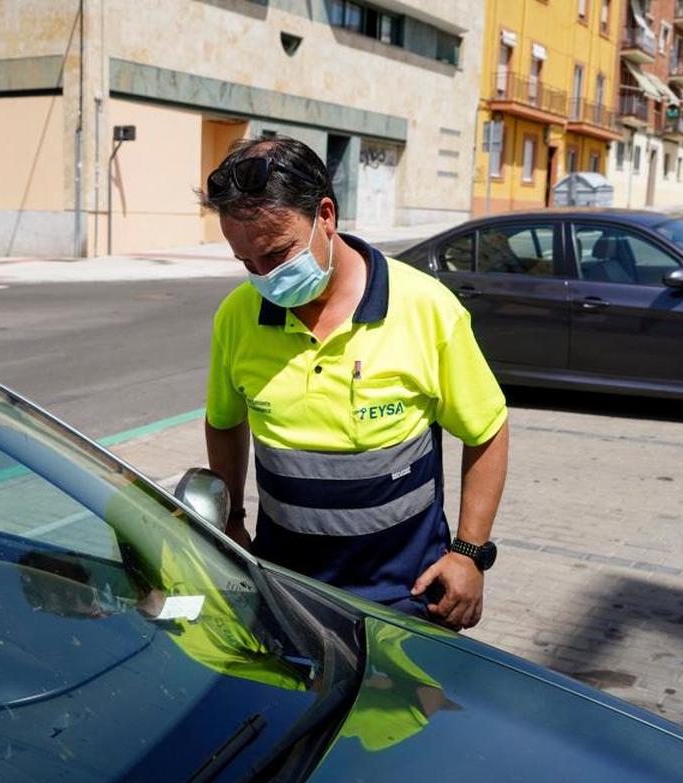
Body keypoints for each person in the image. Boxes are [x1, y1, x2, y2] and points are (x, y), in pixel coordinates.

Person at [202, 135, 509, 630]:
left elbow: (487, 430)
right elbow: (223, 422)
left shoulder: (426, 308)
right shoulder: (237, 317)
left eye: (277, 256)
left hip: (408, 599)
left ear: (326, 215)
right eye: (246, 263)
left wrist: (470, 554)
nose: (264, 277)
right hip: (288, 594)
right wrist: (233, 519)